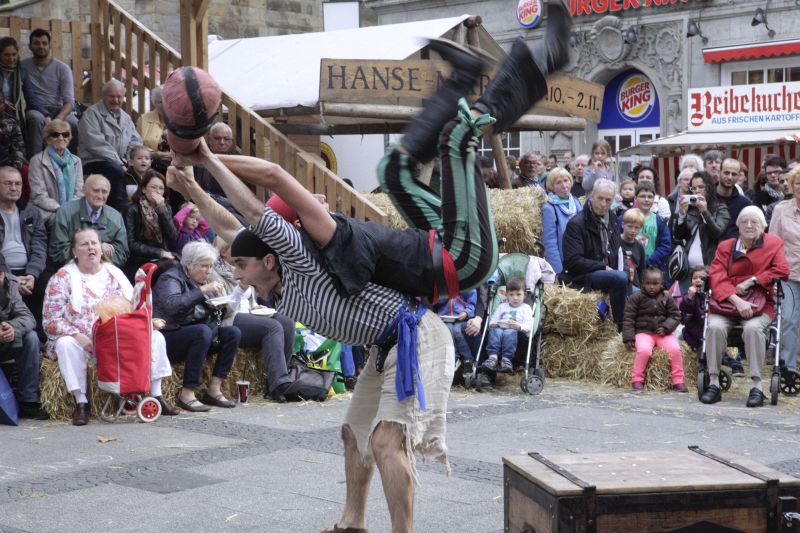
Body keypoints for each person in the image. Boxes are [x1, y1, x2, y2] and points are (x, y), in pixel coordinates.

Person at [165, 6, 571, 526]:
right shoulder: (277, 269)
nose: (236, 273)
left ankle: (545, 59)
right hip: (419, 284)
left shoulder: (300, 251)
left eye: (241, 265)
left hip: (454, 273)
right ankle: (352, 521)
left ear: (272, 253)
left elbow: (261, 193)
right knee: (394, 170)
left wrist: (204, 158)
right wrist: (192, 187)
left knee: (458, 138)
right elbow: (231, 227)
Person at [42, 228, 177, 426]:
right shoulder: (61, 278)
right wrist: (78, 335)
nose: (90, 248)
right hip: (85, 340)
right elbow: (51, 320)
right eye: (84, 244)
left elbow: (134, 307)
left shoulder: (115, 274)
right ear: (74, 251)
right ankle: (81, 402)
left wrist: (147, 323)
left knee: (156, 337)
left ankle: (156, 395)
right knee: (65, 344)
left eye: (94, 243)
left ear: (101, 247)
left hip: (118, 338)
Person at [700, 206, 790, 407]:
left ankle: (757, 386)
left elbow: (783, 270)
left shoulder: (773, 243)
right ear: (738, 226)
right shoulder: (726, 246)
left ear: (763, 226)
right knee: (714, 326)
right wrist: (736, 299)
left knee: (753, 329)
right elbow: (717, 276)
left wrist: (754, 280)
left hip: (760, 304)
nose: (749, 225)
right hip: (726, 303)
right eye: (744, 222)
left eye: (754, 221)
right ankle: (713, 382)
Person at [208, 239, 302, 402]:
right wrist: (240, 289)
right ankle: (278, 383)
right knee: (272, 327)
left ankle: (283, 378)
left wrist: (257, 307)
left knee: (286, 321)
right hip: (230, 318)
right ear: (223, 251)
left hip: (250, 313)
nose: (240, 251)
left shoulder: (246, 268)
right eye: (233, 248)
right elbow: (223, 309)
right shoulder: (213, 274)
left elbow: (250, 300)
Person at [152, 241, 241, 412]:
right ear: (189, 264)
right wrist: (203, 291)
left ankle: (214, 389)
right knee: (202, 332)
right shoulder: (170, 278)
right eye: (204, 266)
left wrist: (219, 305)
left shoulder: (200, 279)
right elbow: (173, 305)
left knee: (232, 333)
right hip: (168, 335)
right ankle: (187, 393)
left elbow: (210, 315)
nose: (209, 271)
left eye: (211, 266)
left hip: (194, 333)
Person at [561, 178, 627, 330]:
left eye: (608, 200)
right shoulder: (576, 224)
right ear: (591, 196)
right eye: (600, 198)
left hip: (608, 271)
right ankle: (620, 328)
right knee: (619, 278)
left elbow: (617, 250)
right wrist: (602, 267)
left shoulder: (613, 219)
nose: (603, 204)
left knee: (636, 291)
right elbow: (572, 261)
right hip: (583, 276)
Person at [78, 79, 144, 213]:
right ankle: (113, 212)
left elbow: (136, 141)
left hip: (120, 162)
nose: (116, 100)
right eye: (111, 96)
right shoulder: (91, 114)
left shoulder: (126, 118)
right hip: (94, 161)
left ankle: (137, 213)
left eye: (119, 97)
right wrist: (120, 163)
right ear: (104, 96)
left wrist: (130, 160)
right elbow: (96, 144)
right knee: (115, 170)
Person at [623, 266, 686, 392]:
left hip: (662, 333)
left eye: (655, 284)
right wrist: (628, 338)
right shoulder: (636, 297)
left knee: (675, 349)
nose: (651, 287)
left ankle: (678, 380)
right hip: (643, 332)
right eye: (648, 283)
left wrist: (666, 327)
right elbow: (628, 318)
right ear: (643, 283)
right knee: (644, 350)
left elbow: (675, 315)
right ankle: (637, 379)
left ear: (661, 284)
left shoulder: (667, 297)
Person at [0, 253, 47, 420]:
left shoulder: (10, 284)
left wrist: (11, 328)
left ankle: (29, 401)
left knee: (30, 338)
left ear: (2, 275)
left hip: (4, 341)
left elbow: (28, 318)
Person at [49, 174, 129, 268]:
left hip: (104, 271)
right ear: (84, 190)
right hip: (73, 270)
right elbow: (57, 252)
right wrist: (98, 249)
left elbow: (122, 253)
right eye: (96, 191)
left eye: (104, 192)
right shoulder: (65, 212)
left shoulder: (116, 217)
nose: (100, 196)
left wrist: (98, 266)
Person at [20, 28, 79, 157]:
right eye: (36, 43)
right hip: (35, 109)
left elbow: (69, 102)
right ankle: (35, 161)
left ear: (50, 45)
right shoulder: (23, 66)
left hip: (59, 109)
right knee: (35, 119)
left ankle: (71, 161)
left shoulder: (63, 68)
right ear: (30, 46)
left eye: (44, 43)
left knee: (73, 123)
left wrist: (58, 120)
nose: (41, 46)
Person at [0, 167, 47, 315]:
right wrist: (11, 279)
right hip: (4, 271)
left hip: (28, 271)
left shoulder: (31, 211)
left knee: (49, 282)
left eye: (18, 184)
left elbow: (39, 245)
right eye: (8, 183)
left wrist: (32, 274)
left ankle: (41, 328)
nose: (14, 188)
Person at [768, 166, 800, 376]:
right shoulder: (781, 210)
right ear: (792, 185)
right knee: (789, 319)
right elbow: (772, 243)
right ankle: (789, 368)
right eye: (798, 183)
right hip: (789, 275)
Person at [673, 172, 730, 285]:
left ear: (709, 188)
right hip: (688, 271)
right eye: (693, 188)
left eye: (700, 187)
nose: (697, 191)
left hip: (710, 269)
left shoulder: (720, 209)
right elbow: (678, 236)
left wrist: (704, 211)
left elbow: (717, 233)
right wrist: (682, 215)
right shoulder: (690, 210)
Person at [27, 118, 83, 226]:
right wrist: (62, 209)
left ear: (69, 139)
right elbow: (39, 195)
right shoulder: (36, 161)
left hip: (72, 210)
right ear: (47, 139)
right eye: (55, 135)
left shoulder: (76, 161)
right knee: (67, 222)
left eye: (65, 134)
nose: (61, 138)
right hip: (47, 212)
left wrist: (69, 209)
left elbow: (79, 192)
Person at [124, 170, 177, 276]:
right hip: (139, 260)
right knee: (171, 267)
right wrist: (160, 253)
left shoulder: (165, 208)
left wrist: (161, 210)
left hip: (162, 257)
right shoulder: (132, 209)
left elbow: (173, 236)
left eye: (161, 188)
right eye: (153, 187)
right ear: (144, 189)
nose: (158, 191)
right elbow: (131, 244)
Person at [482, 277, 533, 374]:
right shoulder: (502, 306)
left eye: (518, 294)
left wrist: (519, 326)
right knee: (495, 331)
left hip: (515, 331)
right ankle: (492, 357)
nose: (515, 298)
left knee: (509, 332)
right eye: (511, 295)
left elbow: (529, 325)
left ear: (525, 295)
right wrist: (493, 324)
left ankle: (506, 359)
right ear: (506, 295)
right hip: (500, 328)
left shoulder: (526, 308)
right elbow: (493, 320)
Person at [541, 167, 582, 275]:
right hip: (564, 262)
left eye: (566, 180)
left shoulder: (576, 202)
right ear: (552, 187)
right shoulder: (549, 208)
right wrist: (558, 271)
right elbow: (549, 243)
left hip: (580, 257)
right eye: (558, 183)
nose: (564, 186)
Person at [0, 36, 43, 137]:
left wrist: (47, 115)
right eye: (7, 55)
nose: (11, 58)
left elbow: (31, 99)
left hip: (13, 115)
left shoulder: (21, 72)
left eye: (14, 54)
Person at [432, 289, 477, 376]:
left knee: (457, 331)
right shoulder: (444, 286)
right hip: (446, 317)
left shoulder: (469, 287)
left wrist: (466, 312)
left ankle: (468, 359)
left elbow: (472, 304)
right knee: (448, 330)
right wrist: (446, 295)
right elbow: (436, 302)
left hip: (462, 318)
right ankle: (455, 357)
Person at [629, 181, 671, 276]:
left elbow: (665, 246)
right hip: (629, 267)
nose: (646, 199)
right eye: (642, 196)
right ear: (635, 198)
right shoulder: (625, 218)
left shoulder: (660, 221)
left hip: (652, 268)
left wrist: (648, 262)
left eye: (650, 197)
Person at [135, 86, 172, 173]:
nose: (164, 105)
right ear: (154, 103)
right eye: (160, 102)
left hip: (177, 160)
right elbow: (137, 144)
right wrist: (153, 154)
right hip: (151, 160)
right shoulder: (144, 119)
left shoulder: (181, 119)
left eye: (167, 101)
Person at [715, 158, 751, 240]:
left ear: (738, 176)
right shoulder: (707, 199)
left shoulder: (745, 204)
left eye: (734, 174)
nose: (730, 177)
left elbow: (748, 232)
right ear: (719, 172)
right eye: (726, 173)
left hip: (734, 247)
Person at [680, 265, 708, 353]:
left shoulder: (710, 295)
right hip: (691, 335)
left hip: (706, 334)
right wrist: (690, 298)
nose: (698, 280)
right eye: (695, 278)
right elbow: (685, 310)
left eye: (702, 278)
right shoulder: (688, 296)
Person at [619, 208, 646, 291]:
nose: (633, 230)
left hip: (635, 284)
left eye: (637, 228)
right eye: (630, 226)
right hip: (619, 283)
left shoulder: (639, 246)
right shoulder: (615, 242)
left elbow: (641, 269)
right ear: (623, 225)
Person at [0, 92, 26, 169]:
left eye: (1, 102)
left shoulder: (11, 122)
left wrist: (16, 165)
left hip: (5, 164)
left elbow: (18, 148)